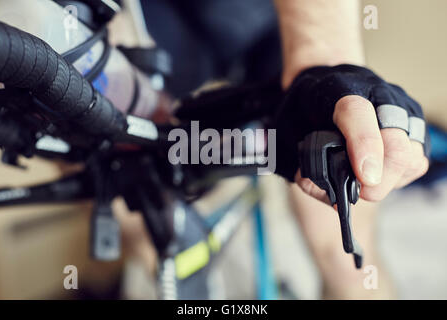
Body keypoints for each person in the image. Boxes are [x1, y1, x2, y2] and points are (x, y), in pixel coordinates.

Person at [138, 0, 429, 299]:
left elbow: (324, 50)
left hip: (274, 20)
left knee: (342, 256)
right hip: (157, 16)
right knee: (136, 184)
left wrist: (329, 68)